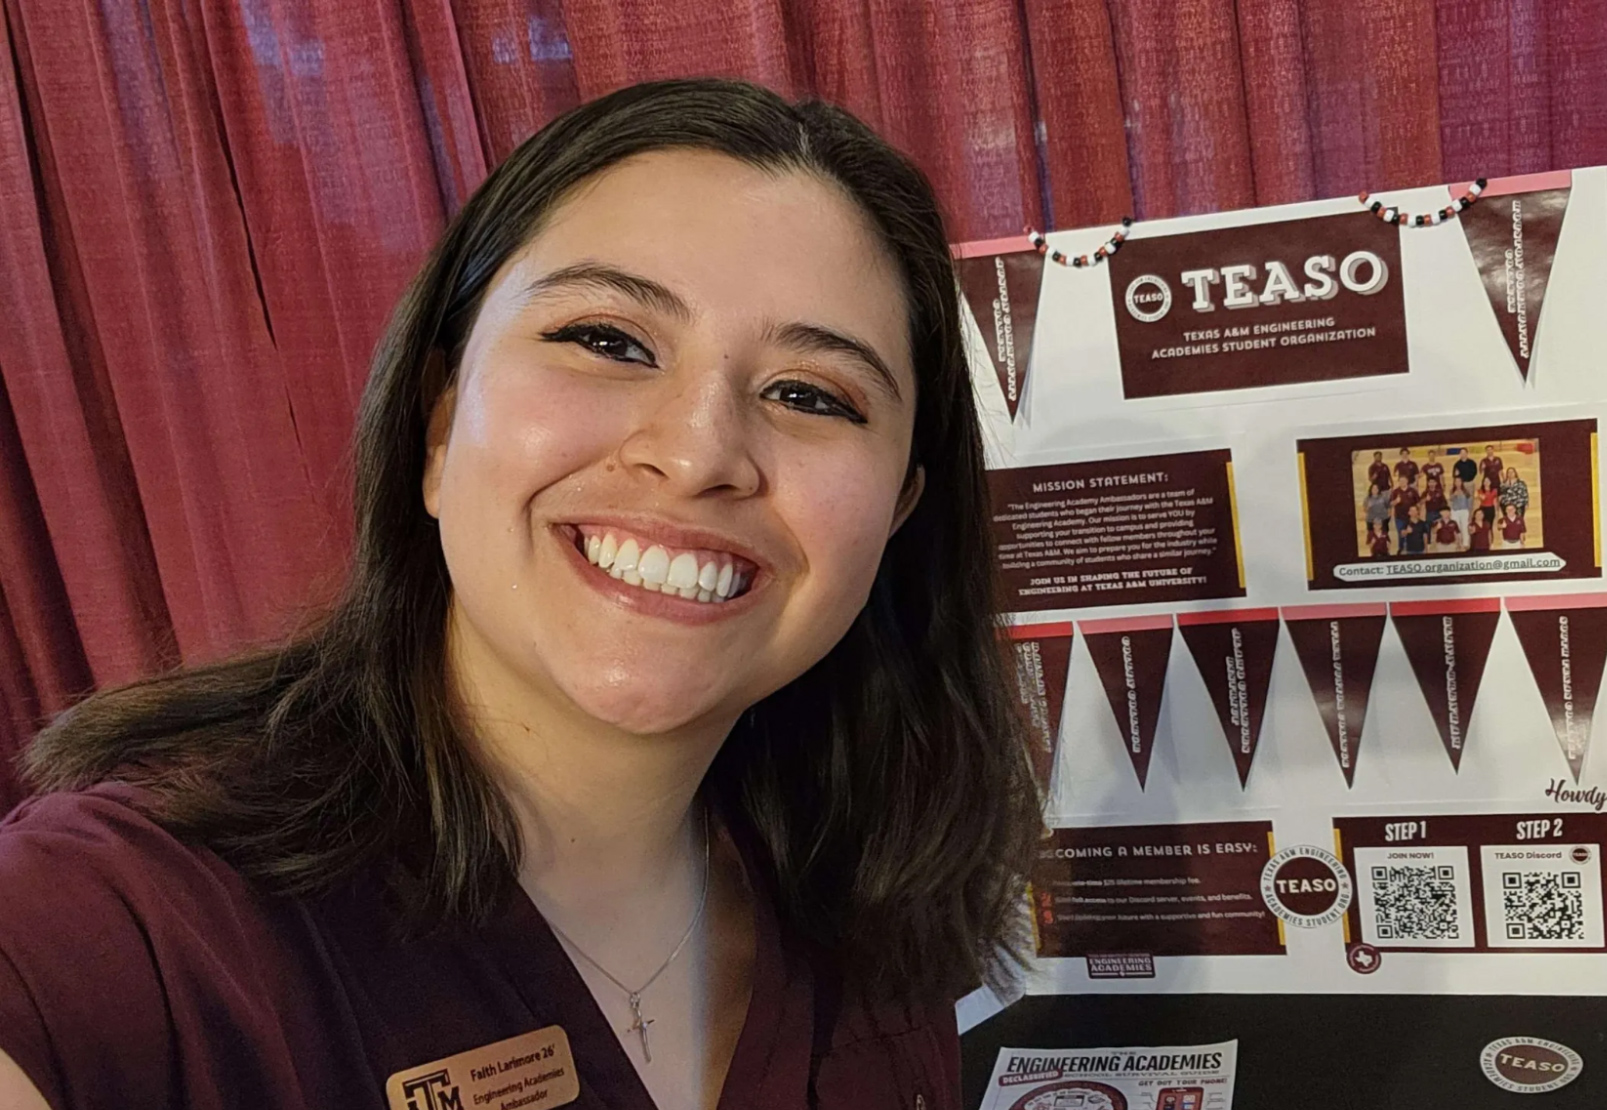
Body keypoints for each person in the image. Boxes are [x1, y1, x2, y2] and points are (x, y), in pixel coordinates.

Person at [0, 80, 1039, 1110]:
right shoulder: (132, 924)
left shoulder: (863, 895)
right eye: (609, 341)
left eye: (809, 396)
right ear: (441, 424)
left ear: (898, 511)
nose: (696, 455)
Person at [1363, 484, 1391, 549]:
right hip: (1371, 520)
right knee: (1372, 536)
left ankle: (1385, 549)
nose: (1375, 490)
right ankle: (1374, 550)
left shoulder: (1383, 497)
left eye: (1376, 488)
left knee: (1384, 535)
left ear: (1378, 490)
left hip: (1383, 519)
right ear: (1371, 490)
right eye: (1373, 488)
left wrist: (1389, 514)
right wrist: (1368, 507)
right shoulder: (1367, 499)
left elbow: (1388, 506)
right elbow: (1364, 510)